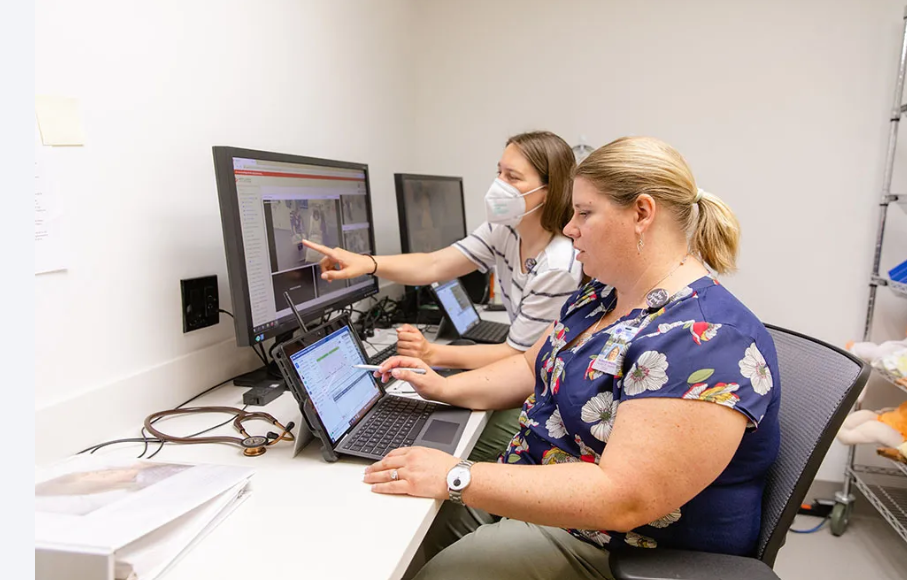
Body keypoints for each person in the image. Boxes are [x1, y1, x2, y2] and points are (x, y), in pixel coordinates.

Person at [363, 136, 781, 580]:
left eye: (584, 213)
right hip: (547, 489)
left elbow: (623, 498)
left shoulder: (704, 339)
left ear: (642, 213)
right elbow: (529, 366)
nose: (568, 228)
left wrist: (457, 476)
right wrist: (441, 386)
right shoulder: (603, 295)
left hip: (618, 544)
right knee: (400, 531)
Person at [304, 131, 585, 461]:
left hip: (547, 394)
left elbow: (519, 357)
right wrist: (367, 263)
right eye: (499, 172)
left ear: (549, 190)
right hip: (527, 375)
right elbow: (435, 264)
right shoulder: (506, 230)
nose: (499, 185)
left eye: (513, 177)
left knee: (451, 444)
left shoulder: (557, 265)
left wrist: (433, 354)